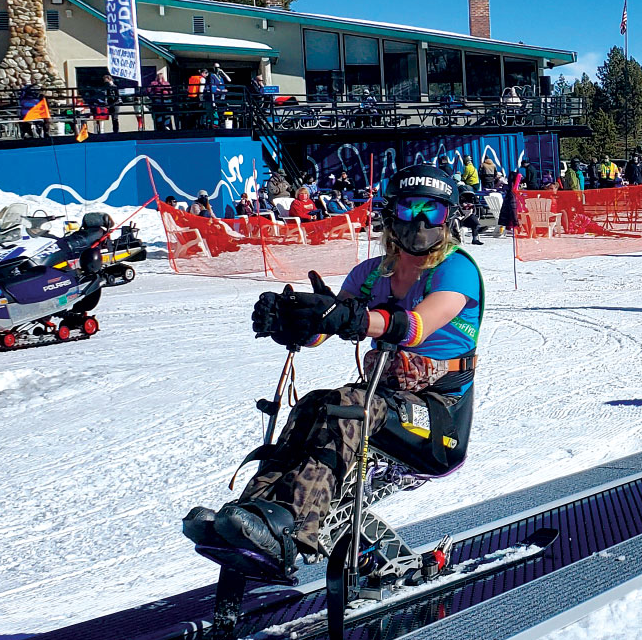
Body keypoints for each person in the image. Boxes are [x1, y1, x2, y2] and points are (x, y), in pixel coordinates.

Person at [183, 165, 483, 574]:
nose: (419, 221)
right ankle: (253, 515)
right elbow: (327, 326)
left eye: (431, 211)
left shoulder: (456, 269)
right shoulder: (372, 275)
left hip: (439, 418)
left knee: (348, 408)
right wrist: (299, 321)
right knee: (313, 405)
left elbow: (415, 327)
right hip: (388, 395)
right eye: (409, 208)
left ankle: (293, 530)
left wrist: (354, 319)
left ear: (448, 217)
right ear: (391, 214)